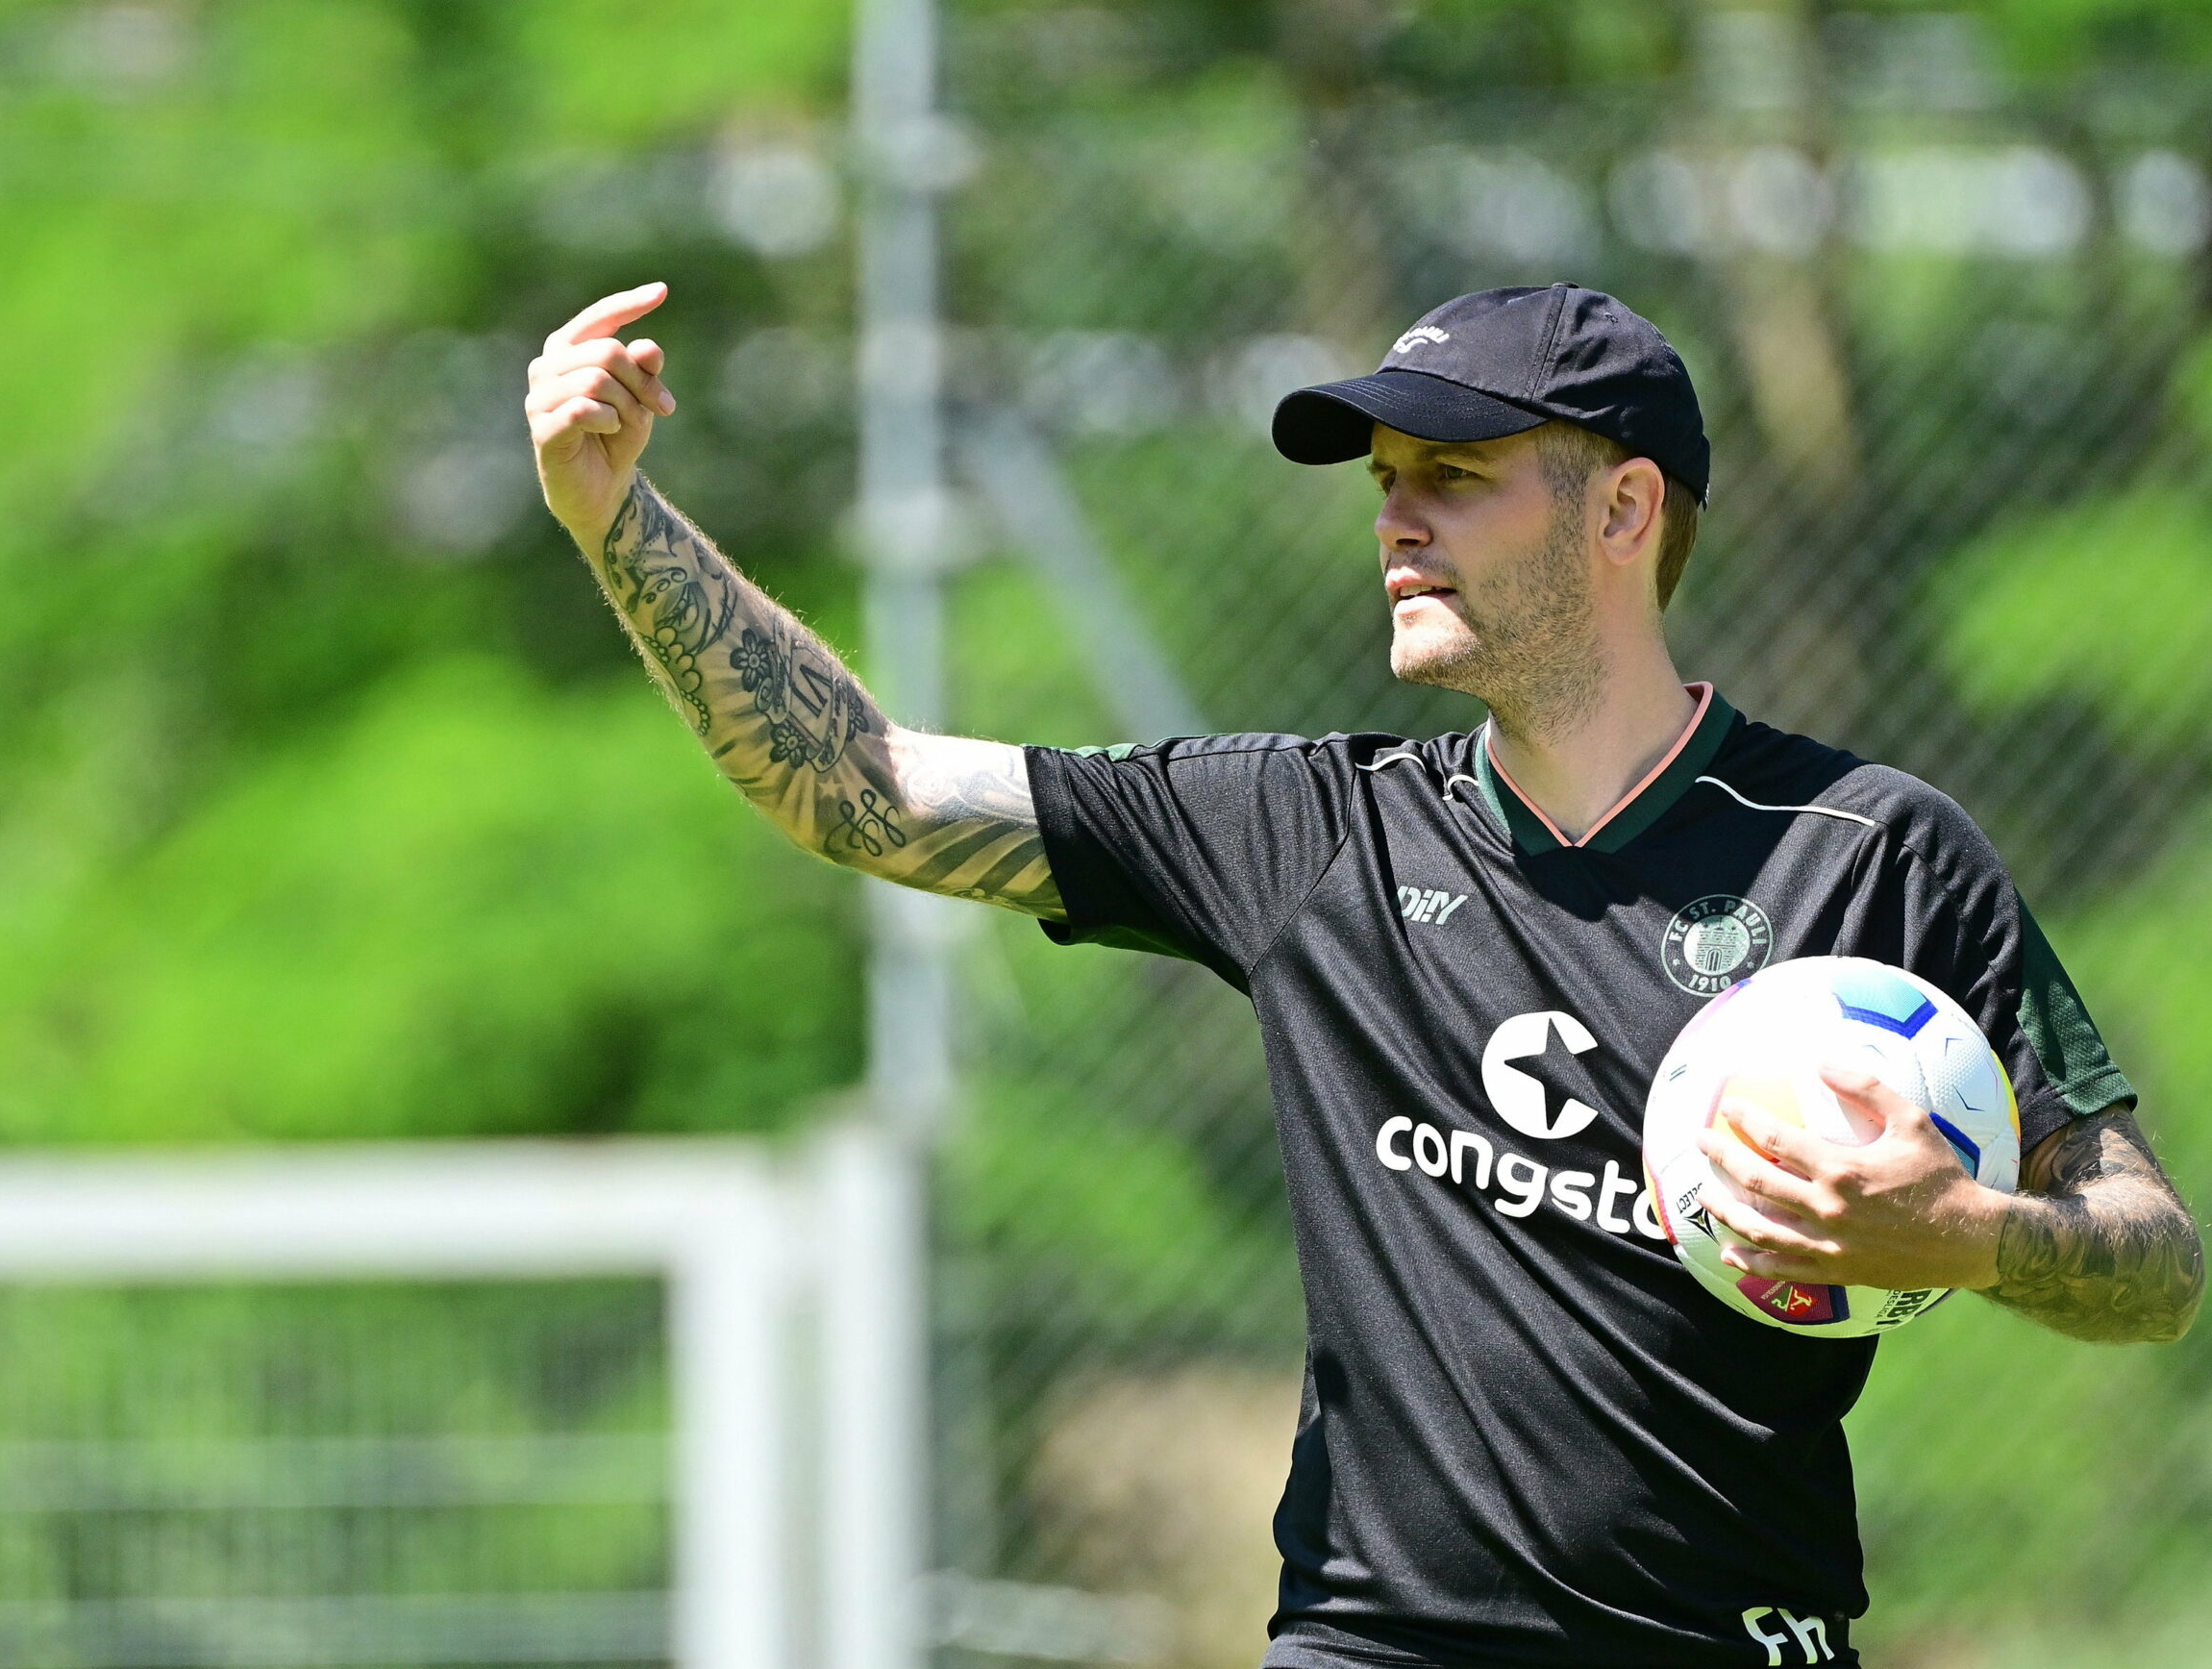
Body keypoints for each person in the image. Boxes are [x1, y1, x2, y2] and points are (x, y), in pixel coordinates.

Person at [526, 279, 2203, 1669]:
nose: (1394, 520)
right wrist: (618, 519)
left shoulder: (1867, 849)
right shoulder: (1307, 833)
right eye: (1385, 476)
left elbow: (2154, 1260)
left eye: (1456, 475)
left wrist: (1968, 1240)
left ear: (1623, 508)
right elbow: (866, 786)